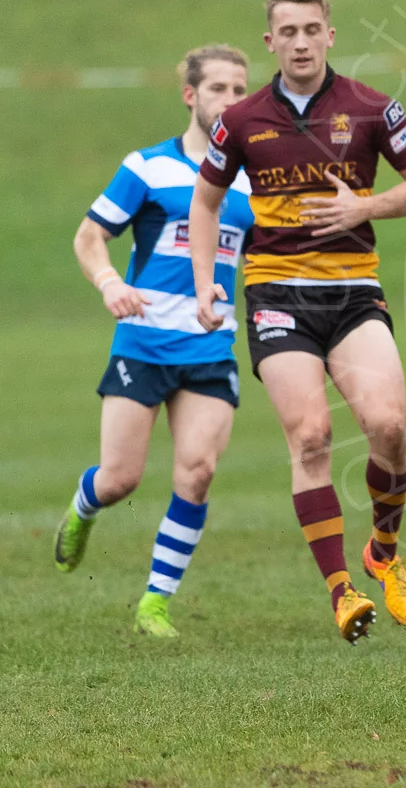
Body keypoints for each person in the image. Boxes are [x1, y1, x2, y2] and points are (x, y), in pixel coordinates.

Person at [190, 0, 406, 641]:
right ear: (270, 42)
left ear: (330, 35)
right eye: (288, 32)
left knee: (389, 428)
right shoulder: (241, 119)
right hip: (276, 293)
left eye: (312, 29)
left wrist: (366, 207)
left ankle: (383, 554)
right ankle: (341, 591)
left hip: (354, 292)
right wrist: (205, 284)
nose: (300, 42)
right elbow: (206, 202)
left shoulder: (371, 109)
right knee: (309, 437)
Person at [55, 45, 255, 638]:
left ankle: (155, 603)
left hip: (211, 346)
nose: (231, 100)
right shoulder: (147, 167)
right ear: (190, 96)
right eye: (219, 88)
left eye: (241, 89)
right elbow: (89, 237)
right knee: (120, 479)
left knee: (196, 472)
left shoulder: (253, 178)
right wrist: (110, 281)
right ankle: (84, 507)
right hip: (142, 343)